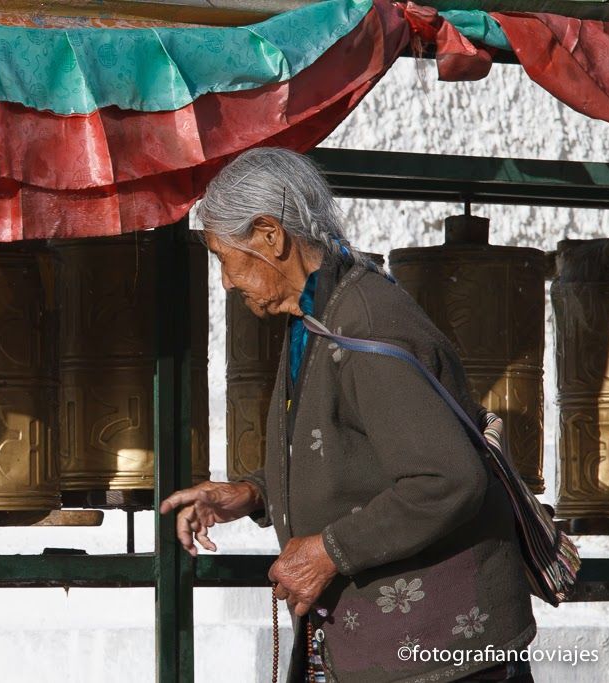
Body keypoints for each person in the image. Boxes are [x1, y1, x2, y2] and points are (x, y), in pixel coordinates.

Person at [160, 148, 536, 682]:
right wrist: (253, 493)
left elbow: (446, 479)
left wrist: (328, 552)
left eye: (224, 258)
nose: (224, 282)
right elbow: (356, 448)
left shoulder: (363, 323)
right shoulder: (321, 315)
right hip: (375, 645)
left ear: (270, 236)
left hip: (440, 653)